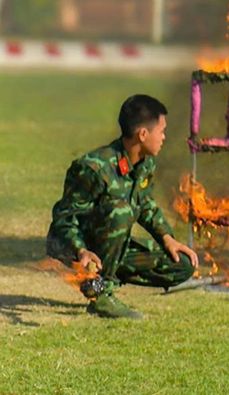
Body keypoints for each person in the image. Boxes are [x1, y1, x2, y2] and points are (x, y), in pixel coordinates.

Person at [47, 95, 198, 319]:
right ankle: (100, 295)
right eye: (161, 131)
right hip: (74, 247)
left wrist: (167, 238)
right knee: (121, 211)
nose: (164, 137)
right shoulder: (93, 168)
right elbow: (64, 217)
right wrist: (81, 250)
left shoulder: (145, 163)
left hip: (110, 249)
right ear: (143, 134)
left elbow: (144, 203)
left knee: (181, 265)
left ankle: (107, 277)